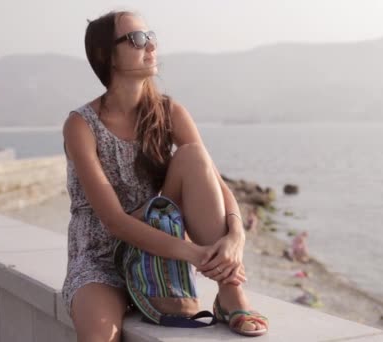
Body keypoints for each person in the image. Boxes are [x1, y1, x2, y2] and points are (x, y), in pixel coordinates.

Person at [60, 10, 268, 341]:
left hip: (155, 253)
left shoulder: (169, 112)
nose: (151, 46)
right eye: (137, 39)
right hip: (101, 257)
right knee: (100, 336)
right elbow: (113, 221)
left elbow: (213, 180)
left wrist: (236, 237)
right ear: (106, 55)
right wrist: (197, 254)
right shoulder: (81, 125)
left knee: (194, 156)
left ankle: (231, 294)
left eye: (151, 37)